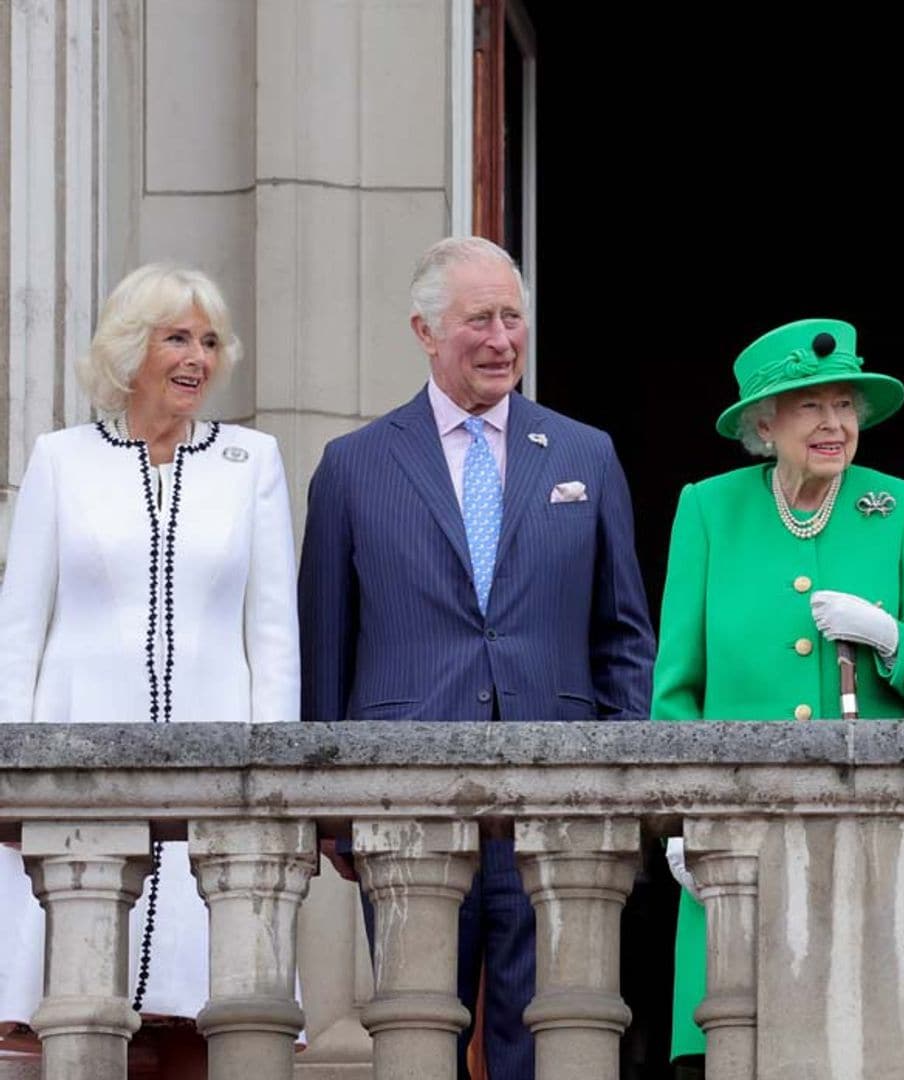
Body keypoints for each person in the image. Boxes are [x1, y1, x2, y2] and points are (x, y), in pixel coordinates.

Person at [297, 236, 656, 1079]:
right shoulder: (352, 468)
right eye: (478, 321)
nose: (501, 340)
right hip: (407, 797)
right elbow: (326, 648)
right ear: (424, 331)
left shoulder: (584, 454)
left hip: (556, 801)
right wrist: (331, 804)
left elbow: (623, 635)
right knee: (417, 1035)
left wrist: (624, 776)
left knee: (548, 1036)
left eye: (512, 317)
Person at [0, 263, 298, 1072]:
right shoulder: (61, 461)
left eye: (209, 341)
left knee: (206, 1017)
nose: (197, 357)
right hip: (76, 767)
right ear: (133, 351)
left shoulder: (252, 460)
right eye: (177, 338)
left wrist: (275, 786)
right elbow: (19, 633)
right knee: (66, 1017)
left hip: (216, 774)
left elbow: (273, 636)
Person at [652, 317, 904, 1074]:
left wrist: (890, 638)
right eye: (810, 407)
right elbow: (676, 690)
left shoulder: (899, 506)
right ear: (764, 424)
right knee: (734, 1040)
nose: (835, 425)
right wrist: (681, 818)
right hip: (738, 841)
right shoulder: (706, 509)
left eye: (846, 406)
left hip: (865, 839)